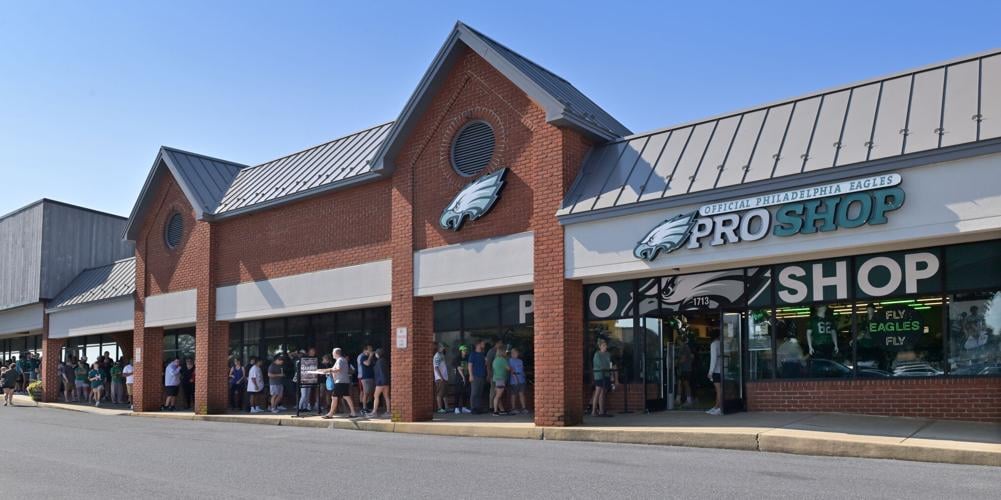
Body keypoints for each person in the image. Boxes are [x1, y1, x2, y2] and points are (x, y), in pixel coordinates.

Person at [322, 348, 358, 419]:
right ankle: (353, 413)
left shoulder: (340, 360)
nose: (332, 354)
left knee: (334, 397)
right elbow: (334, 369)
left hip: (340, 381)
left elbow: (338, 369)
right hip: (344, 381)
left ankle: (330, 414)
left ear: (336, 353)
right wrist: (325, 370)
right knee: (346, 396)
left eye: (333, 352)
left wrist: (327, 370)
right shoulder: (342, 360)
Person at [591, 340, 613, 417]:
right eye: (603, 346)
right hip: (599, 375)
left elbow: (609, 363)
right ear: (600, 347)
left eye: (605, 345)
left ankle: (601, 410)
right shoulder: (597, 354)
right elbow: (599, 364)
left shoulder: (608, 354)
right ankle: (593, 410)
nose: (605, 347)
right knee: (598, 391)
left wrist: (610, 371)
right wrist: (605, 368)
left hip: (606, 374)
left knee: (603, 392)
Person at [468, 341, 488, 413]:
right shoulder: (473, 354)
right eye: (482, 343)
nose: (484, 344)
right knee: (474, 392)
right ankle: (473, 408)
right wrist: (471, 375)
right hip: (475, 376)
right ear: (478, 345)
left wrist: (486, 361)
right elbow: (470, 365)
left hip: (482, 376)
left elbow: (485, 365)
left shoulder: (483, 354)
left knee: (480, 392)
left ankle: (478, 408)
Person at [507, 347, 528, 415]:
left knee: (521, 393)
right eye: (512, 353)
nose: (513, 354)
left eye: (515, 352)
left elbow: (522, 370)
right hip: (514, 380)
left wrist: (524, 377)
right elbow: (511, 370)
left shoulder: (520, 361)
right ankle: (513, 408)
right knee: (513, 394)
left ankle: (523, 408)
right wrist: (515, 378)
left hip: (521, 379)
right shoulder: (509, 360)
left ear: (517, 353)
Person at [371, 348, 391, 418]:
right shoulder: (384, 361)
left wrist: (381, 382)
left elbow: (381, 372)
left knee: (376, 396)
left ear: (378, 354)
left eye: (376, 353)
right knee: (386, 396)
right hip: (386, 382)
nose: (375, 355)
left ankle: (374, 412)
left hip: (380, 382)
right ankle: (388, 411)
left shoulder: (379, 362)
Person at [707, 329, 723, 416]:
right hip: (723, 369)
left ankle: (718, 407)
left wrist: (710, 371)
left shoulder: (714, 344)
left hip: (716, 370)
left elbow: (713, 359)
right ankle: (717, 406)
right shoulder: (722, 343)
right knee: (720, 389)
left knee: (718, 390)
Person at [453, 345, 471, 414]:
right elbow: (459, 368)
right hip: (459, 378)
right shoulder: (457, 358)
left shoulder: (467, 358)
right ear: (460, 351)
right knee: (458, 392)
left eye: (466, 350)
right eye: (464, 350)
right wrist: (463, 377)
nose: (465, 352)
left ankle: (464, 407)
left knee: (465, 393)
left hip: (466, 376)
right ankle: (456, 408)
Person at [491, 348, 510, 416]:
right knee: (498, 396)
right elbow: (508, 368)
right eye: (504, 351)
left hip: (496, 379)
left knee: (499, 396)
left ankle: (502, 410)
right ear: (502, 352)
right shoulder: (503, 360)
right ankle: (495, 411)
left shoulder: (495, 360)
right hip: (501, 379)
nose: (505, 353)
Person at [433, 343, 450, 414]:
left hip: (444, 378)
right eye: (444, 347)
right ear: (440, 347)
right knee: (440, 393)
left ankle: (446, 408)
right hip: (440, 378)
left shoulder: (442, 355)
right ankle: (440, 408)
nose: (445, 349)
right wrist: (441, 377)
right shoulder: (437, 356)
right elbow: (436, 367)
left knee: (445, 393)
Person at [357, 345, 375, 414]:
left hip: (371, 377)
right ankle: (364, 408)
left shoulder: (368, 357)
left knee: (370, 392)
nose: (371, 351)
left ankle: (367, 407)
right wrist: (370, 356)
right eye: (370, 350)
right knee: (365, 393)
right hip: (365, 378)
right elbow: (367, 363)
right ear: (365, 350)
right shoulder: (363, 357)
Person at [485, 337, 499, 410]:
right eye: (500, 343)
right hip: (493, 374)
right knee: (493, 390)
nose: (501, 344)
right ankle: (491, 406)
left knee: (498, 390)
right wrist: (489, 374)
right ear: (497, 343)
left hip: (499, 374)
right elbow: (488, 363)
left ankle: (497, 406)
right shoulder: (491, 351)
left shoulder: (500, 351)